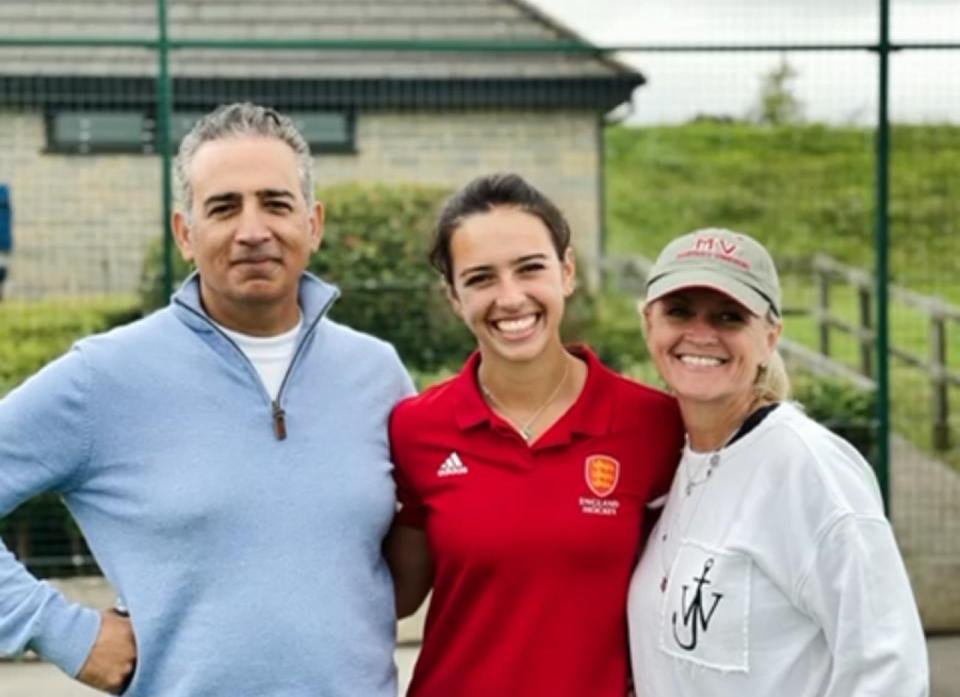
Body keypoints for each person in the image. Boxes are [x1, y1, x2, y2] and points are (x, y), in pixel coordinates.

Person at [0, 103, 413, 696]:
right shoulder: (104, 378)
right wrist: (62, 631)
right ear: (185, 234)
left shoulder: (377, 374)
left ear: (314, 224)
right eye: (223, 207)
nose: (253, 230)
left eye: (276, 203)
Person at [386, 173, 684, 697]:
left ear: (566, 271)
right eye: (480, 279)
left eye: (530, 269)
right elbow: (392, 595)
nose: (511, 298)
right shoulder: (416, 428)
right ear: (455, 296)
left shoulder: (654, 426)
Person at [627, 227, 929, 695]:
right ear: (650, 324)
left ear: (770, 336)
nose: (702, 334)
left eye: (729, 317)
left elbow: (889, 668)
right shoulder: (673, 458)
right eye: (679, 311)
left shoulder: (808, 467)